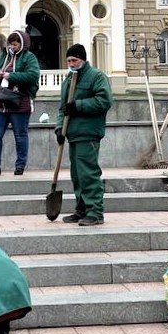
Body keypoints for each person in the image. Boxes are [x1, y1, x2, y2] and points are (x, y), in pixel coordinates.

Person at [56, 43, 113, 226]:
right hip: (73, 133)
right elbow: (63, 108)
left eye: (74, 60)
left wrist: (78, 105)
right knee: (77, 174)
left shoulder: (96, 76)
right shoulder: (68, 79)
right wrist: (59, 129)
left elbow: (104, 101)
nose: (71, 64)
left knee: (88, 173)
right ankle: (81, 209)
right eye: (69, 61)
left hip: (88, 132)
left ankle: (95, 212)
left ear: (83, 59)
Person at [0, 30, 40, 176]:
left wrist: (11, 76)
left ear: (22, 44)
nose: (12, 47)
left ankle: (20, 166)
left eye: (15, 44)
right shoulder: (4, 55)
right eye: (11, 44)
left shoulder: (29, 57)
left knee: (20, 135)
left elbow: (33, 75)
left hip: (19, 102)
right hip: (0, 102)